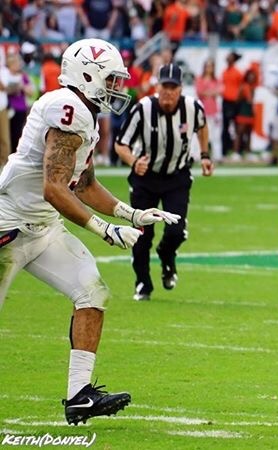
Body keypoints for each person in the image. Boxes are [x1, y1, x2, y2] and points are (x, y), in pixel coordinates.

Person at [0, 38, 180, 425]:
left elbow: (84, 184)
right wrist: (104, 230)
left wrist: (131, 215)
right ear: (89, 75)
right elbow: (54, 187)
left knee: (92, 292)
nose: (118, 88)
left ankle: (79, 395)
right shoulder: (66, 109)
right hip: (9, 225)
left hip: (43, 227)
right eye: (112, 80)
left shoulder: (84, 113)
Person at [115, 63, 213, 301]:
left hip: (177, 177)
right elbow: (121, 143)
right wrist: (133, 162)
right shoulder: (143, 109)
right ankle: (143, 283)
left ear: (180, 89)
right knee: (142, 234)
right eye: (165, 86)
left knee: (176, 231)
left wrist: (204, 155)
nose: (168, 92)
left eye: (173, 87)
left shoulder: (192, 107)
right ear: (157, 87)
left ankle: (167, 257)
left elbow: (202, 127)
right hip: (145, 178)